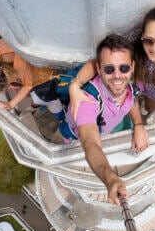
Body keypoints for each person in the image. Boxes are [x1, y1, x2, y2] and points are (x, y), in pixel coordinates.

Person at [69, 7, 155, 119]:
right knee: (148, 108)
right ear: (142, 34)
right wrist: (76, 84)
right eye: (149, 40)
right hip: (153, 91)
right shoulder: (133, 41)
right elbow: (100, 62)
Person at [64, 34, 149, 205]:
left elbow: (132, 100)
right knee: (72, 141)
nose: (117, 76)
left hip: (109, 125)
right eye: (109, 69)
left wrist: (139, 125)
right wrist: (110, 179)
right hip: (79, 132)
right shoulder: (87, 101)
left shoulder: (132, 84)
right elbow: (90, 143)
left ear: (132, 67)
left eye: (123, 68)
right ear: (99, 68)